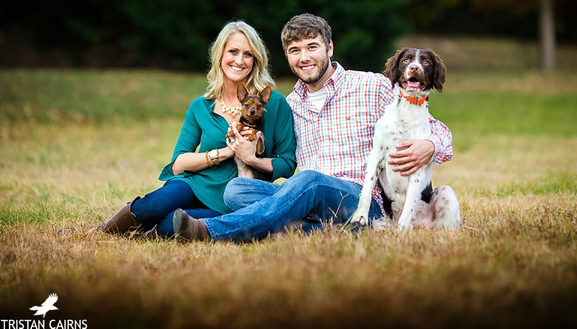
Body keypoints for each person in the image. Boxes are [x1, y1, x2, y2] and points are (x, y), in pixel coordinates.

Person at [173, 13, 453, 242]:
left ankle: (210, 231)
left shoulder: (371, 85)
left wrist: (430, 145)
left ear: (329, 48)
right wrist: (248, 155)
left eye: (312, 47)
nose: (304, 57)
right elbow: (281, 159)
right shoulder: (289, 105)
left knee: (311, 181)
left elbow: (435, 127)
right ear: (288, 57)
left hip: (358, 197)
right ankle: (316, 229)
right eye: (295, 51)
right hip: (304, 196)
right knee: (237, 190)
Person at [97, 20, 297, 237]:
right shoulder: (200, 106)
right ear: (220, 55)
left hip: (230, 199)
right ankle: (100, 233)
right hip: (193, 183)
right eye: (233, 51)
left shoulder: (274, 104)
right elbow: (177, 164)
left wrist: (252, 159)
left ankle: (147, 234)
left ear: (256, 60)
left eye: (248, 54)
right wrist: (224, 153)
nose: (239, 61)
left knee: (169, 225)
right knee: (151, 206)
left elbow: (287, 164)